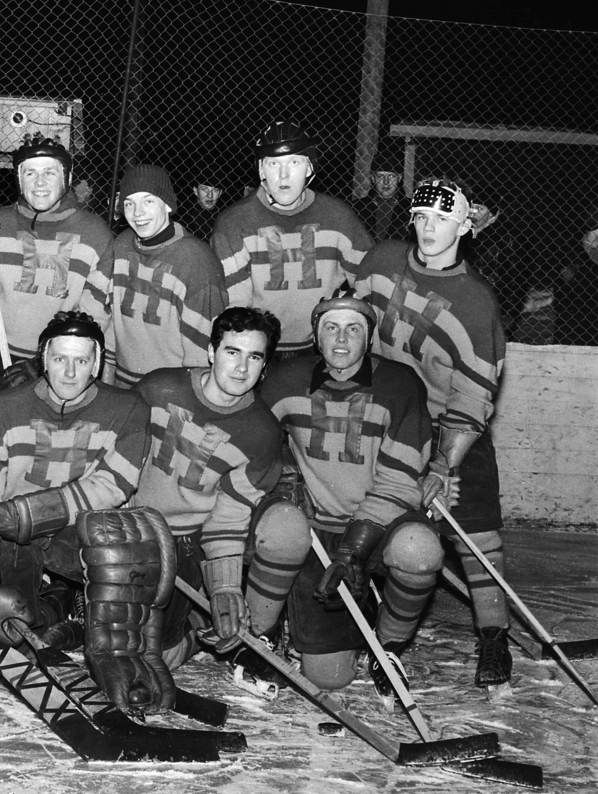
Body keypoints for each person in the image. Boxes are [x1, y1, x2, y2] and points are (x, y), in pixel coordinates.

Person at [0, 311, 167, 711]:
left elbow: (115, 484)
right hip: (14, 534)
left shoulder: (128, 409)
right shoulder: (2, 408)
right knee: (10, 557)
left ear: (97, 364)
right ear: (43, 359)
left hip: (73, 529)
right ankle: (41, 617)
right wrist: (8, 526)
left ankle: (111, 652)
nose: (69, 371)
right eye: (60, 359)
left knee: (115, 538)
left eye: (81, 361)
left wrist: (33, 512)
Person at [229, 288, 444, 699]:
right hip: (316, 527)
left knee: (420, 551)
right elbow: (250, 438)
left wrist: (354, 550)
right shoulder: (285, 379)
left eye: (353, 329)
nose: (341, 340)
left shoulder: (400, 384)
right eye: (330, 328)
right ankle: (262, 634)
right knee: (330, 677)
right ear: (315, 335)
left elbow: (399, 479)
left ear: (369, 337)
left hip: (379, 524)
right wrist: (285, 473)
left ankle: (388, 647)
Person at [354, 177, 511, 686]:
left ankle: (494, 635)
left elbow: (474, 394)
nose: (428, 228)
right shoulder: (381, 260)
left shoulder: (476, 300)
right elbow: (349, 326)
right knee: (375, 518)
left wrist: (446, 463)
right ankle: (384, 638)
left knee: (475, 530)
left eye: (443, 219)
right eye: (421, 217)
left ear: (466, 225)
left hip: (449, 429)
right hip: (384, 417)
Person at [131, 305, 284, 670]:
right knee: (117, 636)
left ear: (265, 366)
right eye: (232, 352)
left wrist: (225, 586)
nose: (242, 368)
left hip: (181, 542)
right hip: (127, 525)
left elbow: (229, 516)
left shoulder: (262, 433)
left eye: (254, 357)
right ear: (212, 353)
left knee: (155, 659)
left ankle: (194, 627)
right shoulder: (158, 387)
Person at [0, 133, 114, 414]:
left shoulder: (95, 234)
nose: (39, 182)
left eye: (50, 172)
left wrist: (41, 365)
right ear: (18, 178)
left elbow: (96, 317)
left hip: (58, 360)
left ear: (67, 176)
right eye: (30, 173)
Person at [211, 118, 373, 359]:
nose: (283, 175)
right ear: (260, 169)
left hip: (323, 349)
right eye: (273, 164)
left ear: (309, 167)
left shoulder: (338, 218)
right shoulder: (234, 224)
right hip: (260, 350)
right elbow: (235, 309)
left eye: (294, 162)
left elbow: (369, 286)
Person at [108, 162, 227, 387]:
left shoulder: (196, 259)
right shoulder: (121, 244)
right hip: (122, 381)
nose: (138, 212)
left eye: (149, 201)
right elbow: (110, 319)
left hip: (172, 388)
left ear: (168, 205)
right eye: (129, 203)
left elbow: (201, 347)